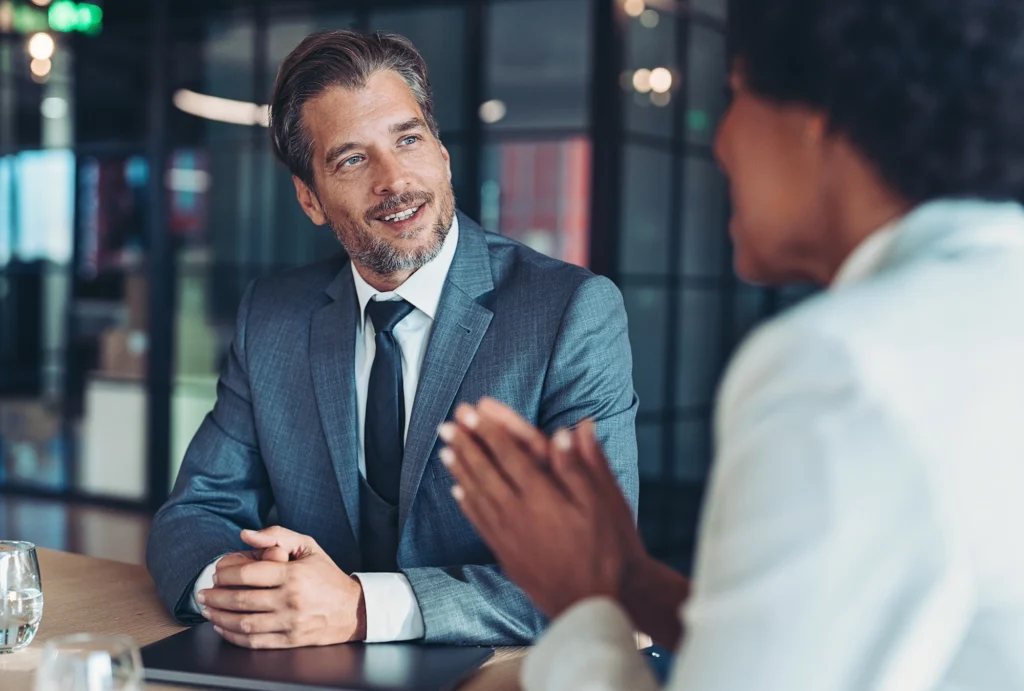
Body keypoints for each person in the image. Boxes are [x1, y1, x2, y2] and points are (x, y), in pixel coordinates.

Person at [440, 0, 1024, 688]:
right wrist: (631, 580)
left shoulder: (842, 365)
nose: (720, 142)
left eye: (738, 95)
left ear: (818, 123)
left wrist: (580, 605)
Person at [145, 29, 639, 649]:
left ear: (443, 152)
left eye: (408, 139)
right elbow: (192, 514)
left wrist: (358, 608)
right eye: (351, 159)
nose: (395, 180)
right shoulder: (271, 317)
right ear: (310, 198)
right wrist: (251, 588)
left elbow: (595, 574)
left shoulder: (569, 313)